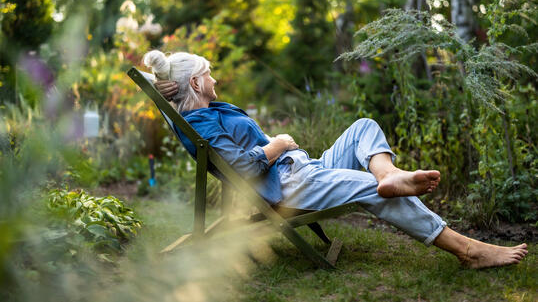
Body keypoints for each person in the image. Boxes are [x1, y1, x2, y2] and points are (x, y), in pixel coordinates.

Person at [143, 50, 528, 269]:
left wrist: (165, 83)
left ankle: (390, 173)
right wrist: (277, 145)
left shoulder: (206, 110)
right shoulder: (203, 124)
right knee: (369, 189)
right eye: (209, 74)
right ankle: (469, 250)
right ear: (195, 83)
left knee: (363, 126)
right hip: (289, 184)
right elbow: (243, 169)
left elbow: (175, 103)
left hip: (303, 168)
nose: (215, 78)